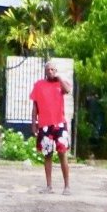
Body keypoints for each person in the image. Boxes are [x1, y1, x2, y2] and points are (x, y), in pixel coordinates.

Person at [30, 61, 72, 195]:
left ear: (56, 70)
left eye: (53, 69)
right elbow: (35, 106)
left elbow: (67, 90)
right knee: (47, 154)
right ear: (45, 71)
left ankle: (67, 186)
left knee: (62, 153)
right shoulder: (39, 85)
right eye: (48, 69)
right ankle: (49, 186)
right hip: (44, 125)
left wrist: (59, 78)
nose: (50, 72)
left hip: (59, 124)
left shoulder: (60, 83)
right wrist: (33, 123)